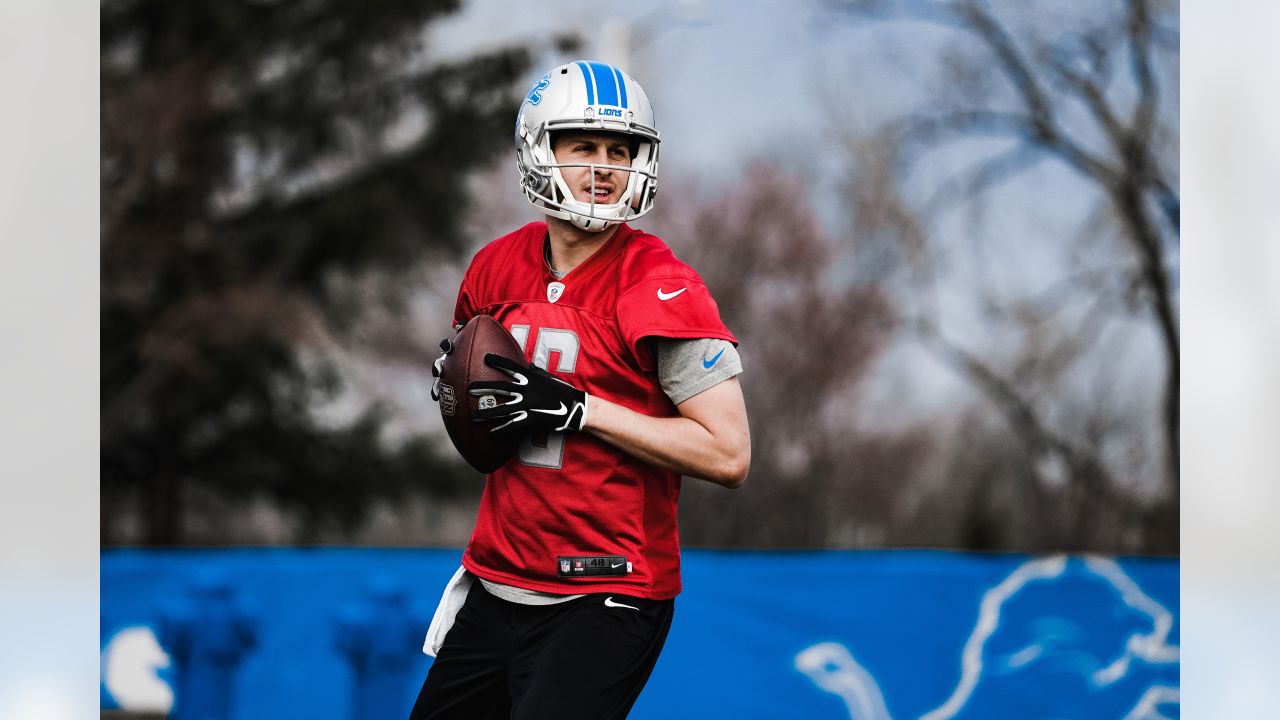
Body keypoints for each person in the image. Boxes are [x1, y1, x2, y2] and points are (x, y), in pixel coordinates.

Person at [410, 60, 751, 720]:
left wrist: (581, 409)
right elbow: (481, 412)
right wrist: (458, 394)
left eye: (619, 151)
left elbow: (728, 453)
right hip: (498, 579)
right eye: (584, 146)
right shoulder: (494, 267)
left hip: (608, 592)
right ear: (541, 151)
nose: (604, 166)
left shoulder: (661, 285)